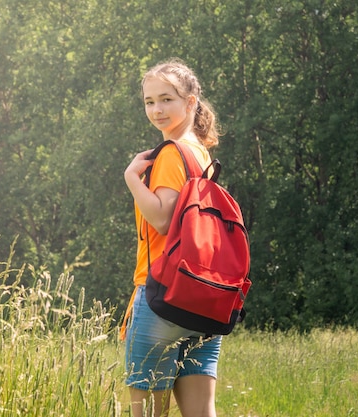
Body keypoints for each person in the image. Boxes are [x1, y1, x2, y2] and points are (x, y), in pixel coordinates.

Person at [122, 58, 222, 417]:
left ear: (191, 102)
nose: (157, 110)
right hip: (203, 299)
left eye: (167, 99)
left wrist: (132, 179)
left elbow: (163, 219)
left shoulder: (169, 154)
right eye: (150, 102)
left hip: (162, 296)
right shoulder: (202, 155)